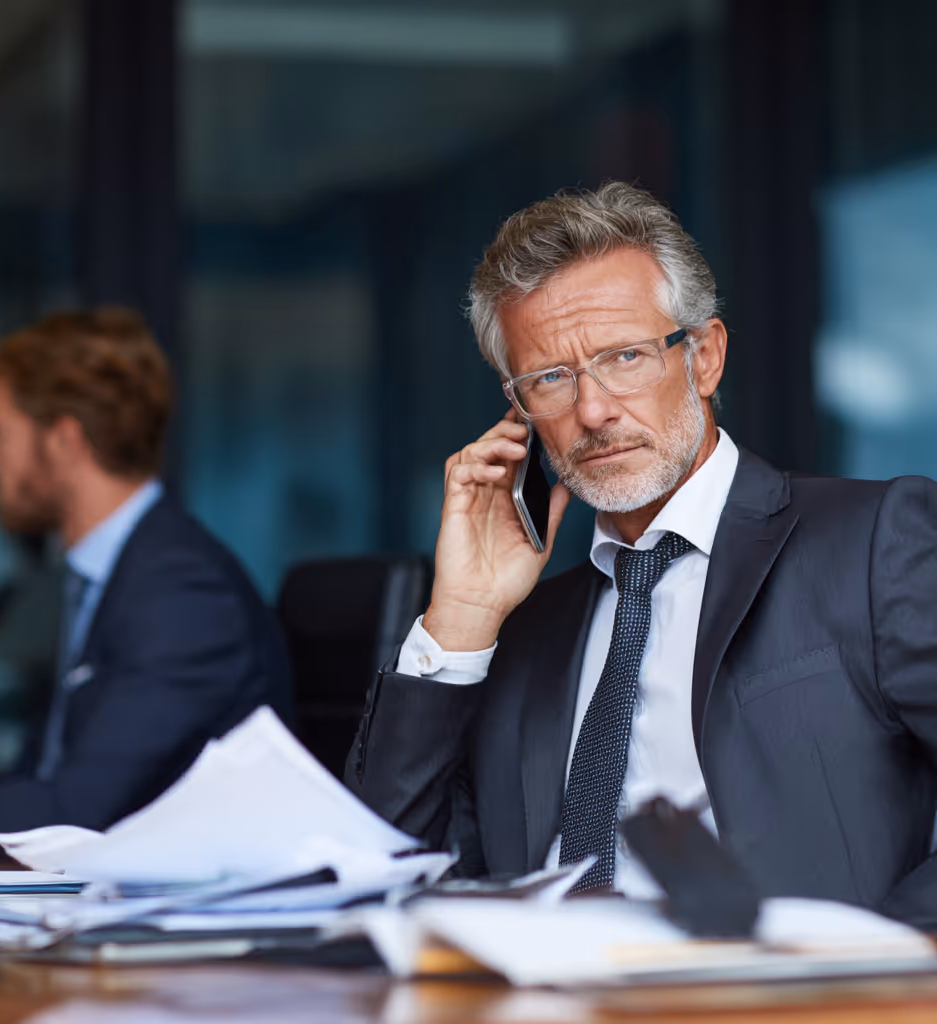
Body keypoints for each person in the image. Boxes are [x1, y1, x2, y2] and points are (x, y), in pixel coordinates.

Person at [346, 182, 937, 930]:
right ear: (520, 409)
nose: (592, 411)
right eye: (551, 379)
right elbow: (380, 871)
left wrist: (862, 974)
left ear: (705, 358)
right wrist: (460, 619)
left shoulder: (874, 540)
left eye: (623, 356)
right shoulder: (525, 631)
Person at [0, 308, 292, 848]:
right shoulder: (109, 574)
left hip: (171, 922)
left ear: (65, 441)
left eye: (0, 433)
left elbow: (72, 811)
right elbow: (36, 782)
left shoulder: (180, 590)